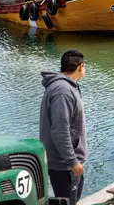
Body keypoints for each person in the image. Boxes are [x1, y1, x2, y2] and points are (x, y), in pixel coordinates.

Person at [39, 50, 87, 204]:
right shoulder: (63, 91)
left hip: (65, 162)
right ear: (81, 66)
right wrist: (72, 161)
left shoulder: (65, 87)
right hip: (64, 165)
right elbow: (60, 131)